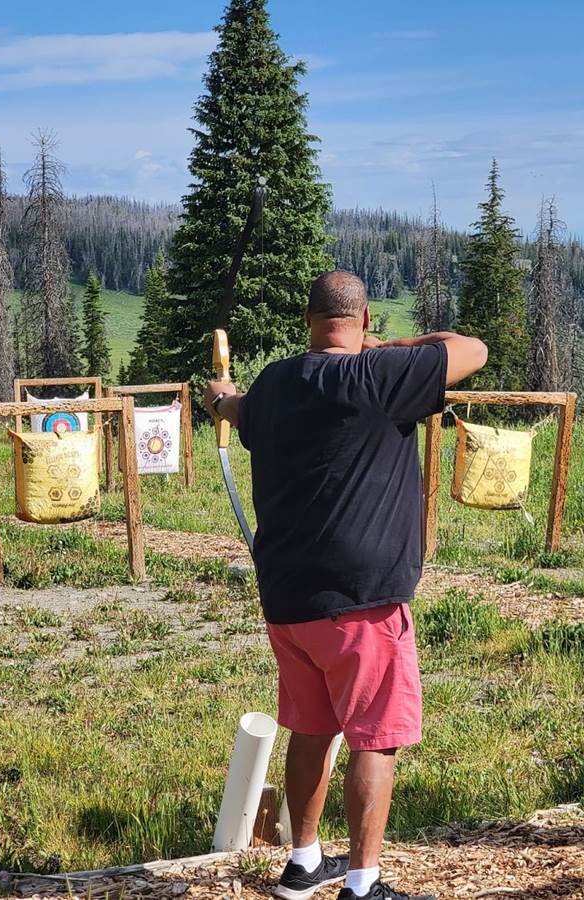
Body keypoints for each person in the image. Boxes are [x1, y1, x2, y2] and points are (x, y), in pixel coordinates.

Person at [204, 271, 487, 900]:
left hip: (289, 600)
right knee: (376, 737)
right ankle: (363, 883)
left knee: (311, 727)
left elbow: (235, 408)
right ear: (362, 322)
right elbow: (473, 349)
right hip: (363, 601)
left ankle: (304, 862)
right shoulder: (379, 376)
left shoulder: (277, 382)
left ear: (308, 320)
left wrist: (220, 397)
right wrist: (394, 346)